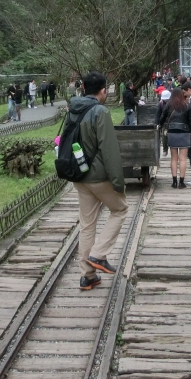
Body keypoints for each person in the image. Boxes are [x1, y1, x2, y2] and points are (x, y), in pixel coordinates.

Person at [70, 72, 128, 291]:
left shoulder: (74, 108)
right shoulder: (100, 111)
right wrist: (118, 182)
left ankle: (87, 276)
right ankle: (99, 254)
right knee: (120, 209)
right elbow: (109, 149)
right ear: (103, 90)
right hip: (98, 177)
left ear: (84, 89)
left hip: (79, 176)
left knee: (87, 225)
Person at [159, 87, 191, 189]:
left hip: (172, 132)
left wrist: (161, 126)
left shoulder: (169, 105)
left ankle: (174, 181)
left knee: (174, 158)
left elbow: (162, 118)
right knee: (183, 159)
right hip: (184, 133)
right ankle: (182, 182)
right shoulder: (187, 105)